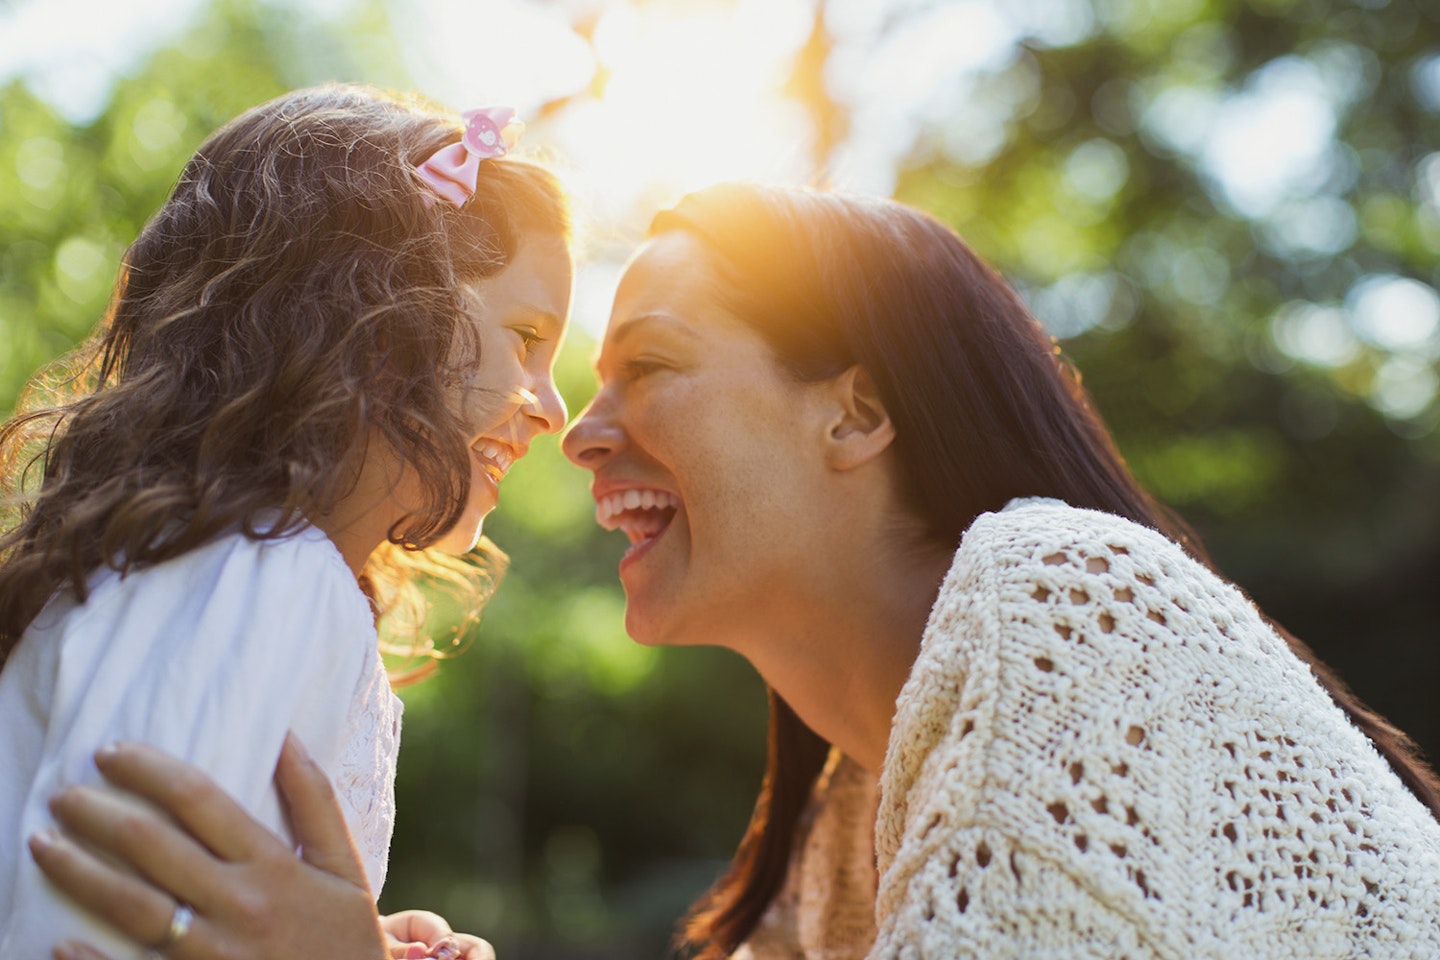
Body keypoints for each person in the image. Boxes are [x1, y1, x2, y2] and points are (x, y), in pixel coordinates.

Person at [28, 184, 1440, 959]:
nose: (577, 432)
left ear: (858, 411)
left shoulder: (1061, 601)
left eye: (650, 368)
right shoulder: (846, 831)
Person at [1, 84, 573, 959]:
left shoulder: (230, 570)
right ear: (375, 319)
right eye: (527, 339)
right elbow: (82, 935)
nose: (554, 408)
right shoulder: (267, 576)